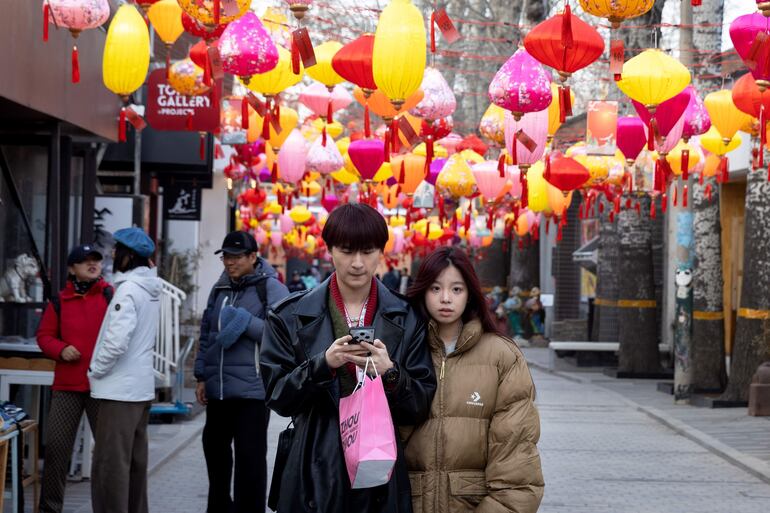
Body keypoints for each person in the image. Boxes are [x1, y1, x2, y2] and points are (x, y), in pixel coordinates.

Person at [260, 203, 436, 513]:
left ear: (382, 252)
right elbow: (277, 397)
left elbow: (420, 405)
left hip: (380, 467)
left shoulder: (407, 316)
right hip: (313, 463)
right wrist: (322, 365)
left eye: (368, 252)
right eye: (346, 251)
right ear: (328, 250)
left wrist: (391, 374)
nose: (357, 263)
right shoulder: (288, 315)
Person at [405, 247, 544, 513]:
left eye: (456, 289)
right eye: (435, 289)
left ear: (470, 294)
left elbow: (517, 470)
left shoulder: (502, 356)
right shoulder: (402, 351)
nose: (446, 298)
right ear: (422, 291)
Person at [194, 230, 289, 513]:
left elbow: (283, 335)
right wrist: (201, 376)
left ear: (252, 257)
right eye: (226, 256)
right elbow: (207, 334)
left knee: (250, 460)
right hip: (219, 389)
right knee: (215, 452)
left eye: (236, 256)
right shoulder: (219, 288)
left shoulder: (271, 288)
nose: (230, 262)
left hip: (253, 391)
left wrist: (245, 322)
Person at [88, 228, 160, 513]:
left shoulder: (128, 290)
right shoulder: (150, 289)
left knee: (110, 465)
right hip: (140, 388)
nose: (113, 255)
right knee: (134, 464)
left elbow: (116, 341)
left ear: (129, 256)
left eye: (118, 251)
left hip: (119, 389)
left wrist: (95, 369)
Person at [36, 245, 112, 513]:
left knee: (107, 454)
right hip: (67, 385)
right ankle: (49, 509)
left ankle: (107, 508)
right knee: (56, 450)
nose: (92, 264)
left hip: (102, 386)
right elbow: (44, 336)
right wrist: (61, 349)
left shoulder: (110, 295)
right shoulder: (59, 301)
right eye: (84, 261)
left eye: (96, 260)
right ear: (72, 269)